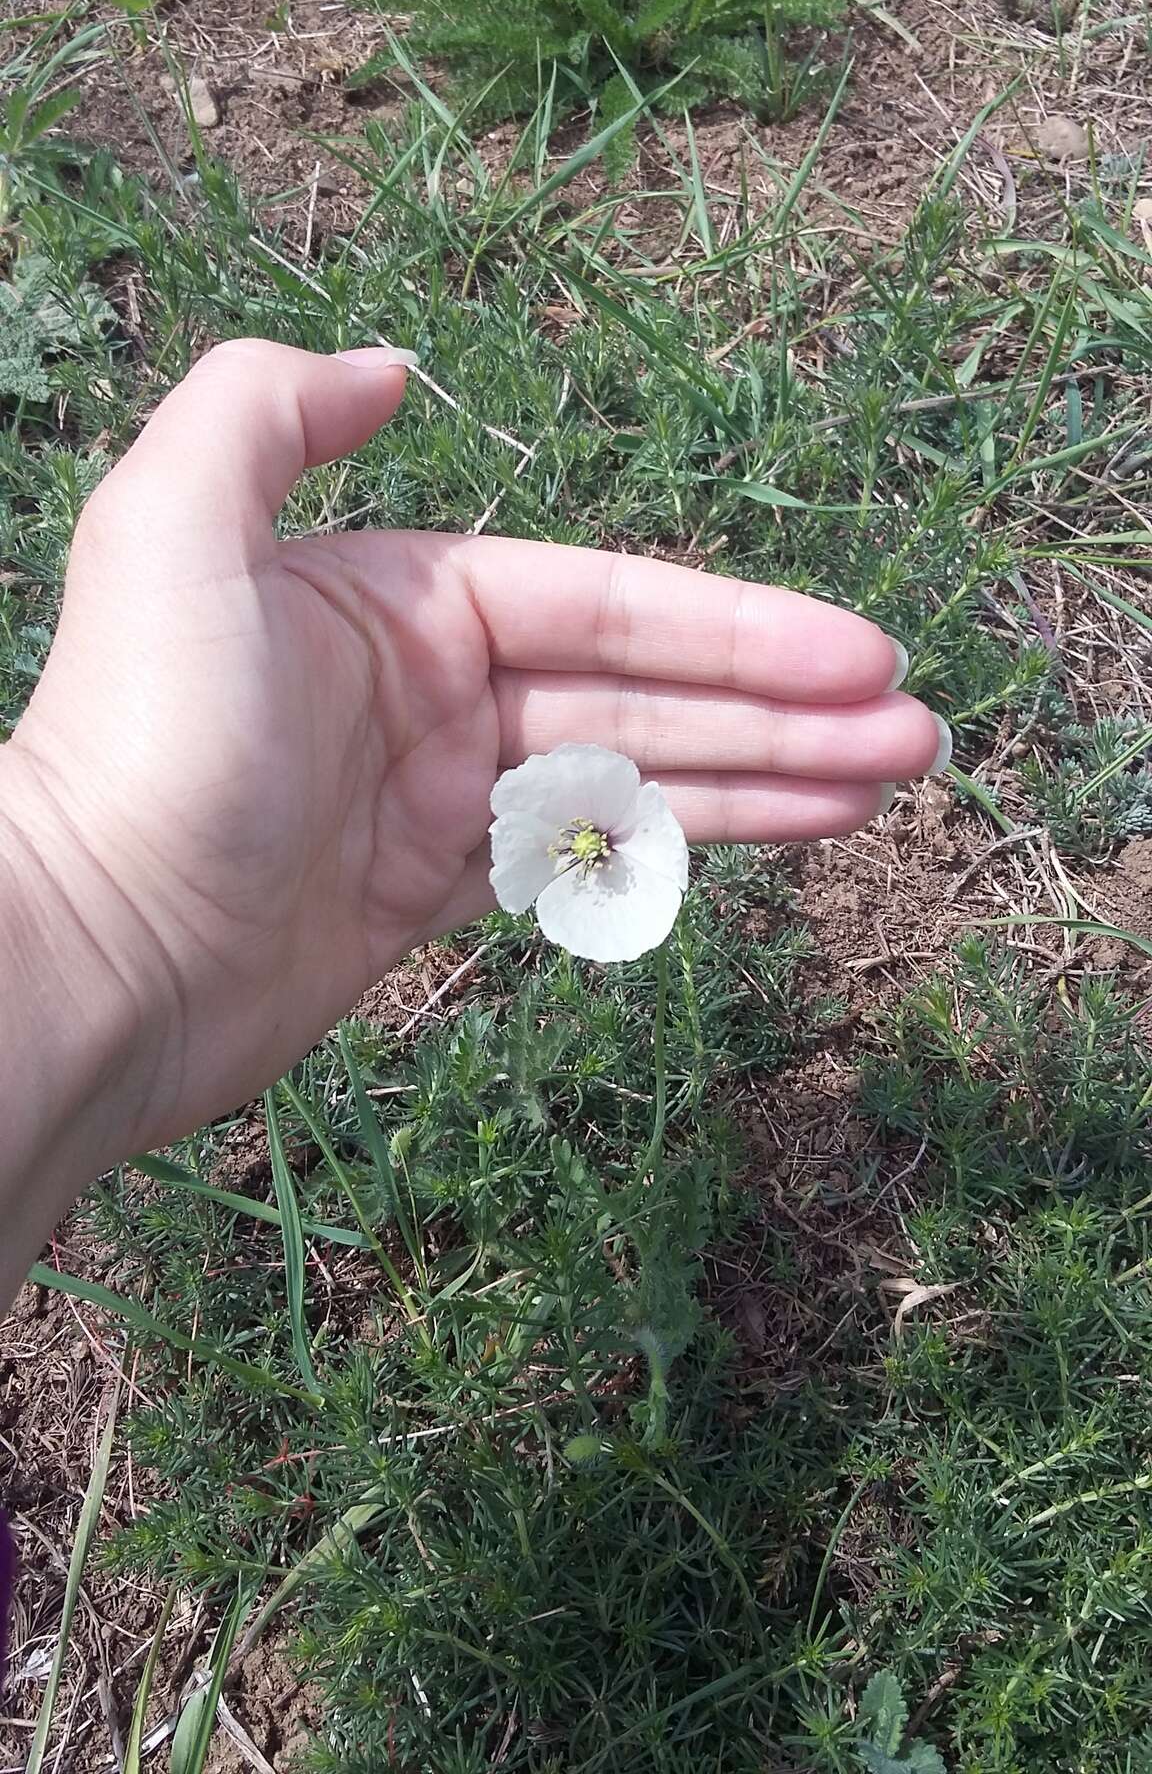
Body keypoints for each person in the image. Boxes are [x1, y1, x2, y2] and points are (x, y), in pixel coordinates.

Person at [0, 340, 949, 1314]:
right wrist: (91, 891)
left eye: (586, 843)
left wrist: (93, 902)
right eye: (581, 841)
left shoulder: (603, 823)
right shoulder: (547, 815)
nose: (585, 847)